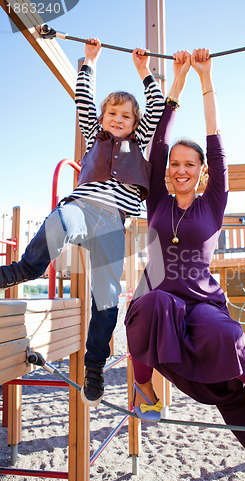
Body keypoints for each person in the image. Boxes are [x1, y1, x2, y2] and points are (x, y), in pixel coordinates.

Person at [125, 49, 245, 456]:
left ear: (201, 171)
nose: (181, 169)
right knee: (149, 303)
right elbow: (159, 141)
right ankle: (144, 391)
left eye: (190, 164)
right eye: (175, 164)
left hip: (201, 301)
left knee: (229, 334)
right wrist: (176, 82)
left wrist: (205, 78)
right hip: (161, 297)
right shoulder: (158, 203)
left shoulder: (213, 202)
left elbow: (217, 142)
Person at [0, 38, 165, 407]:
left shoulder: (139, 142)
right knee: (57, 221)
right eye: (112, 115)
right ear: (103, 119)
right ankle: (24, 269)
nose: (118, 120)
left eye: (125, 116)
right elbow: (83, 101)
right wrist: (88, 63)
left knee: (106, 298)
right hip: (82, 208)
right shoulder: (95, 135)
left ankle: (94, 365)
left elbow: (154, 106)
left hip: (111, 224)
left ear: (135, 123)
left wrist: (144, 72)